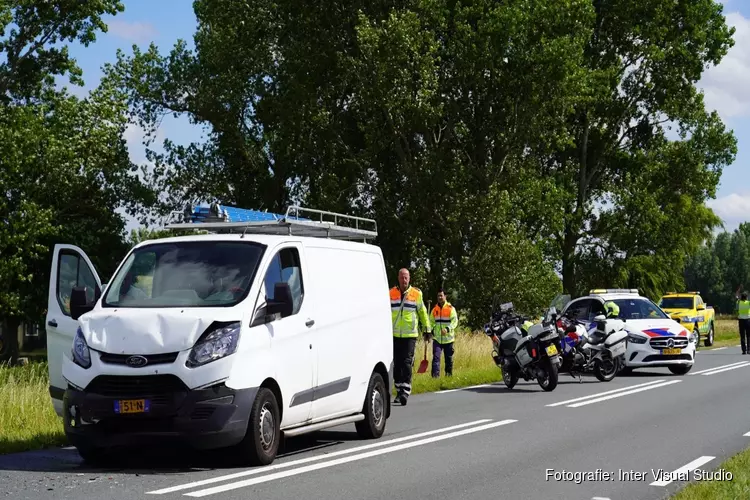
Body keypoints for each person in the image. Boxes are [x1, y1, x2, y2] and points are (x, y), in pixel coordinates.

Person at [389, 268, 431, 405]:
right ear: (398, 278)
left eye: (406, 277)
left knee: (407, 362)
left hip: (410, 335)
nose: (404, 280)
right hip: (394, 334)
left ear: (409, 279)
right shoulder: (391, 293)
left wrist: (427, 329)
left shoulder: (416, 294)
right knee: (396, 363)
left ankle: (405, 391)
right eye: (401, 277)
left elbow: (422, 312)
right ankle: (399, 389)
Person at [428, 288, 458, 378]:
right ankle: (435, 378)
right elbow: (431, 322)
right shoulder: (434, 309)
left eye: (441, 295)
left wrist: (447, 329)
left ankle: (448, 376)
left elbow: (455, 322)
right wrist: (429, 331)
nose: (440, 297)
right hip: (437, 339)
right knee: (436, 358)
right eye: (438, 296)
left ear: (445, 296)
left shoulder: (451, 309)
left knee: (448, 359)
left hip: (448, 339)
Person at [736, 290, 750, 354]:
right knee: (748, 336)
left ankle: (743, 350)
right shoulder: (748, 303)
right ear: (746, 297)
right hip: (748, 320)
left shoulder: (738, 303)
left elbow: (736, 310)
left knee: (742, 336)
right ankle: (749, 349)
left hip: (741, 320)